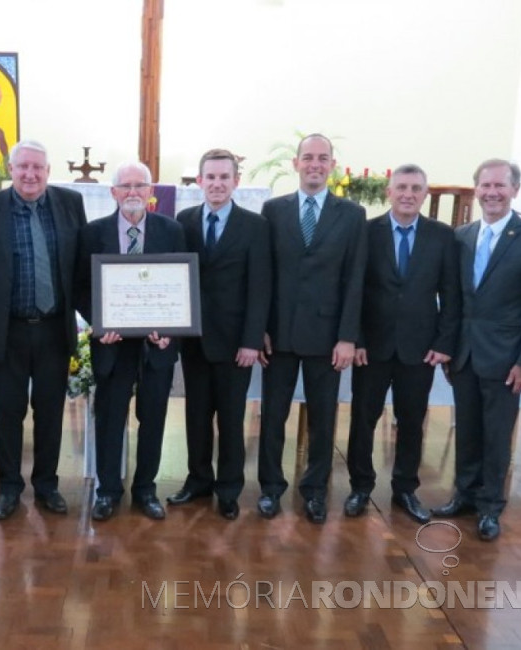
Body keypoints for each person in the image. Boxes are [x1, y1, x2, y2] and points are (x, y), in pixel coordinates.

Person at [0, 140, 87, 521]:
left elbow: (78, 261)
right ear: (10, 169)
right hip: (7, 330)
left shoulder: (69, 205)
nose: (30, 175)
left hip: (53, 330)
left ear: (48, 171)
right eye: (23, 167)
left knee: (49, 412)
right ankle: (9, 488)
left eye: (38, 168)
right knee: (8, 414)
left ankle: (47, 485)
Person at [432, 159, 521, 541]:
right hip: (465, 355)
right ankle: (464, 496)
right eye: (485, 186)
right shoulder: (463, 235)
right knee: (467, 429)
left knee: (497, 435)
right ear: (476, 190)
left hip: (506, 359)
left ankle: (490, 508)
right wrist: (448, 347)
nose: (492, 193)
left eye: (500, 185)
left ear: (515, 189)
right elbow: (453, 300)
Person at [257, 133, 367, 523]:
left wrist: (348, 337)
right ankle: (270, 488)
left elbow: (355, 279)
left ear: (332, 165)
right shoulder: (273, 211)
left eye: (322, 158)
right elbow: (264, 275)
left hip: (327, 338)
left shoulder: (352, 215)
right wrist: (260, 329)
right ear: (296, 164)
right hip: (280, 334)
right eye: (308, 157)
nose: (315, 164)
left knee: (323, 421)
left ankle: (315, 491)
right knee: (272, 418)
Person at [344, 164, 460, 524]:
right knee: (363, 420)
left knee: (412, 421)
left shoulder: (442, 236)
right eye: (401, 187)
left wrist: (444, 343)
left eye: (415, 188)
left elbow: (452, 295)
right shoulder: (367, 232)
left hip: (419, 348)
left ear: (425, 194)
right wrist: (357, 338)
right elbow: (354, 290)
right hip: (372, 348)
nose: (408, 194)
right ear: (388, 192)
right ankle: (361, 486)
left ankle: (405, 489)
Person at [76, 161, 185, 521]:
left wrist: (170, 328)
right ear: (113, 193)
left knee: (153, 418)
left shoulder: (172, 231)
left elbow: (181, 286)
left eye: (141, 186)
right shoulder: (92, 233)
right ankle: (107, 490)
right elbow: (80, 286)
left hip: (157, 346)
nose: (133, 192)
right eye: (126, 186)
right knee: (109, 417)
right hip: (112, 345)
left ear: (152, 192)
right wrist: (98, 322)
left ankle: (145, 489)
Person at [169, 149, 271, 520]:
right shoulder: (184, 220)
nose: (216, 184)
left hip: (235, 344)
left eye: (223, 178)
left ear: (235, 182)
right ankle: (198, 480)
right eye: (209, 177)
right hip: (194, 339)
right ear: (199, 181)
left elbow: (260, 287)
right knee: (196, 416)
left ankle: (229, 488)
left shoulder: (255, 226)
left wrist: (251, 339)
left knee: (230, 418)